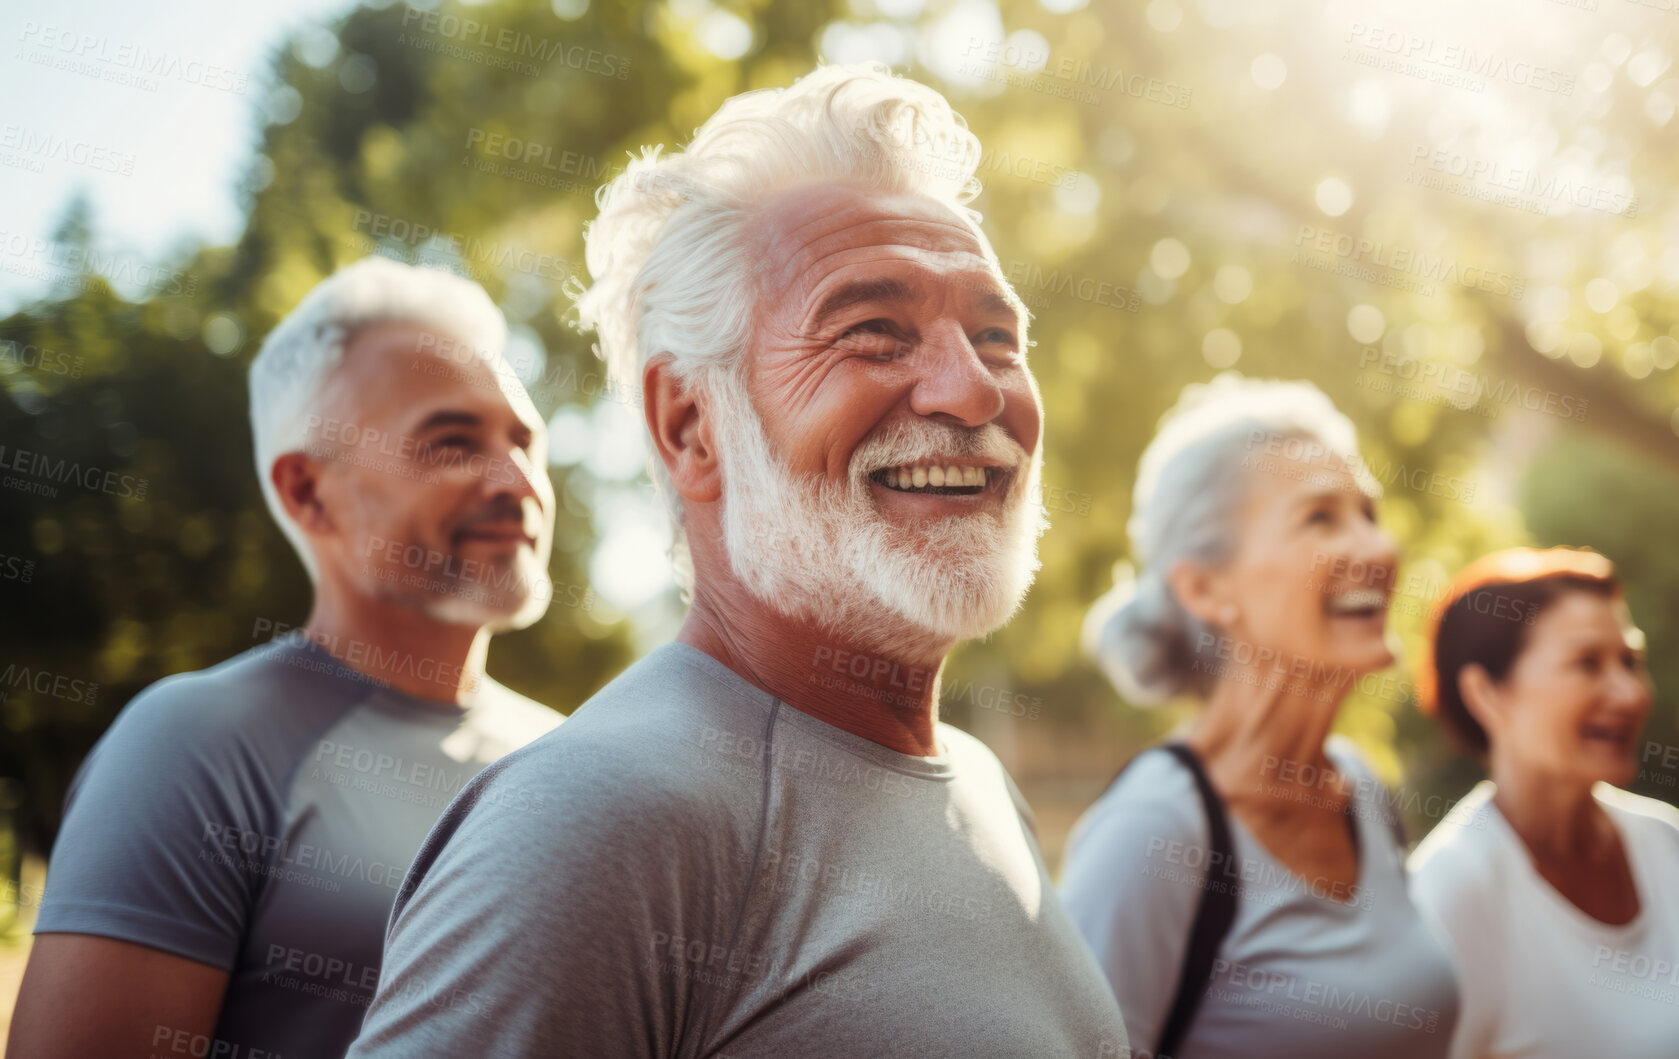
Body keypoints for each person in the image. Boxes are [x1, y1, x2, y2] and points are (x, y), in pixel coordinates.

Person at [346, 63, 1129, 1058]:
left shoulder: (973, 780)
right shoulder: (589, 822)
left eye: (994, 335)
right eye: (874, 333)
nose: (971, 393)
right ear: (690, 425)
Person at [11, 257, 566, 1059]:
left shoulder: (568, 757)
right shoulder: (192, 746)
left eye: (524, 440)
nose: (517, 479)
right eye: (451, 442)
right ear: (308, 491)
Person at [1060, 375, 1460, 1059]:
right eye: (1320, 518)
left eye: (1369, 512)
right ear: (1205, 587)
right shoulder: (1151, 829)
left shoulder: (1361, 790)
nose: (1375, 549)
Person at [1407, 547, 1679, 1059]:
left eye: (1631, 661)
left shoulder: (1666, 839)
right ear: (1486, 693)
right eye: (1587, 663)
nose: (1628, 694)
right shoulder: (1451, 886)